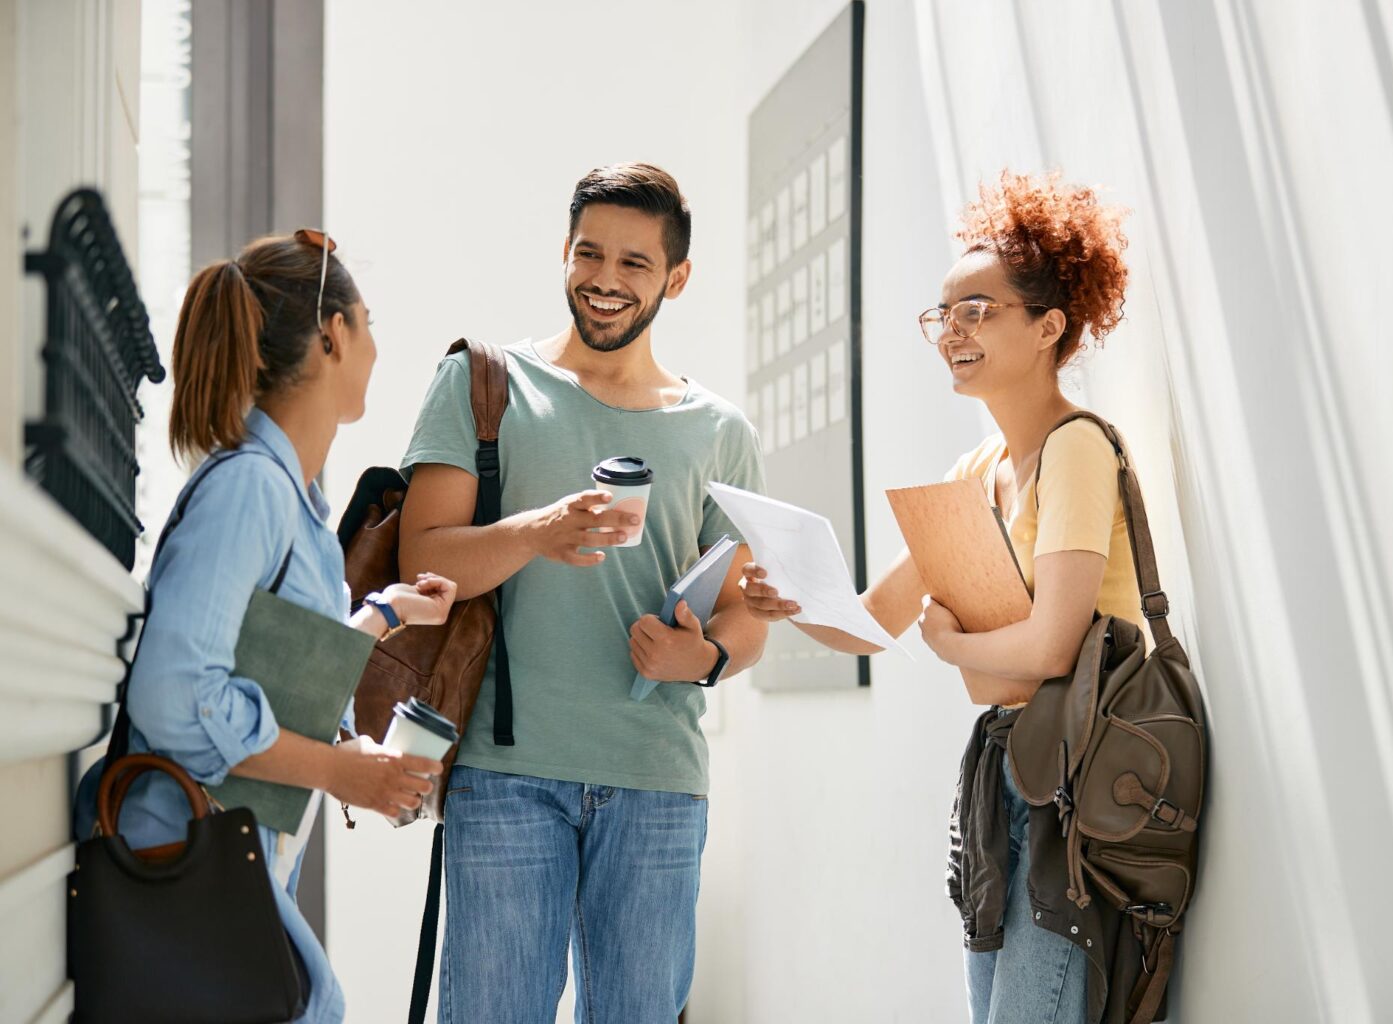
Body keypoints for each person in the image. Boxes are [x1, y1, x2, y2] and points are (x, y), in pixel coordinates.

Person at [740, 171, 1138, 1024]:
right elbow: (870, 623)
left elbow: (1051, 648)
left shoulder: (1077, 449)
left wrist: (951, 646)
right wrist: (788, 593)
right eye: (943, 315)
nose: (951, 332)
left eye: (978, 311)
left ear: (1049, 326)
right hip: (1007, 783)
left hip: (1077, 785)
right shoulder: (974, 474)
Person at [397, 163, 767, 1023]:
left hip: (658, 779)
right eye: (589, 253)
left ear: (676, 277)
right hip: (504, 775)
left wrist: (705, 656)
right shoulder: (483, 386)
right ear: (563, 252)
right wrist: (535, 532)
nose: (605, 280)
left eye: (635, 264)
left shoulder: (719, 432)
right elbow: (424, 562)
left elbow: (744, 610)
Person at [73, 231, 458, 1023]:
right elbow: (178, 693)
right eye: (369, 320)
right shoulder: (251, 488)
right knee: (315, 1005)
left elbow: (266, 653)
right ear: (333, 335)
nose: (377, 346)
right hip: (178, 854)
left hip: (216, 854)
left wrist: (383, 617)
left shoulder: (296, 502)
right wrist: (338, 771)